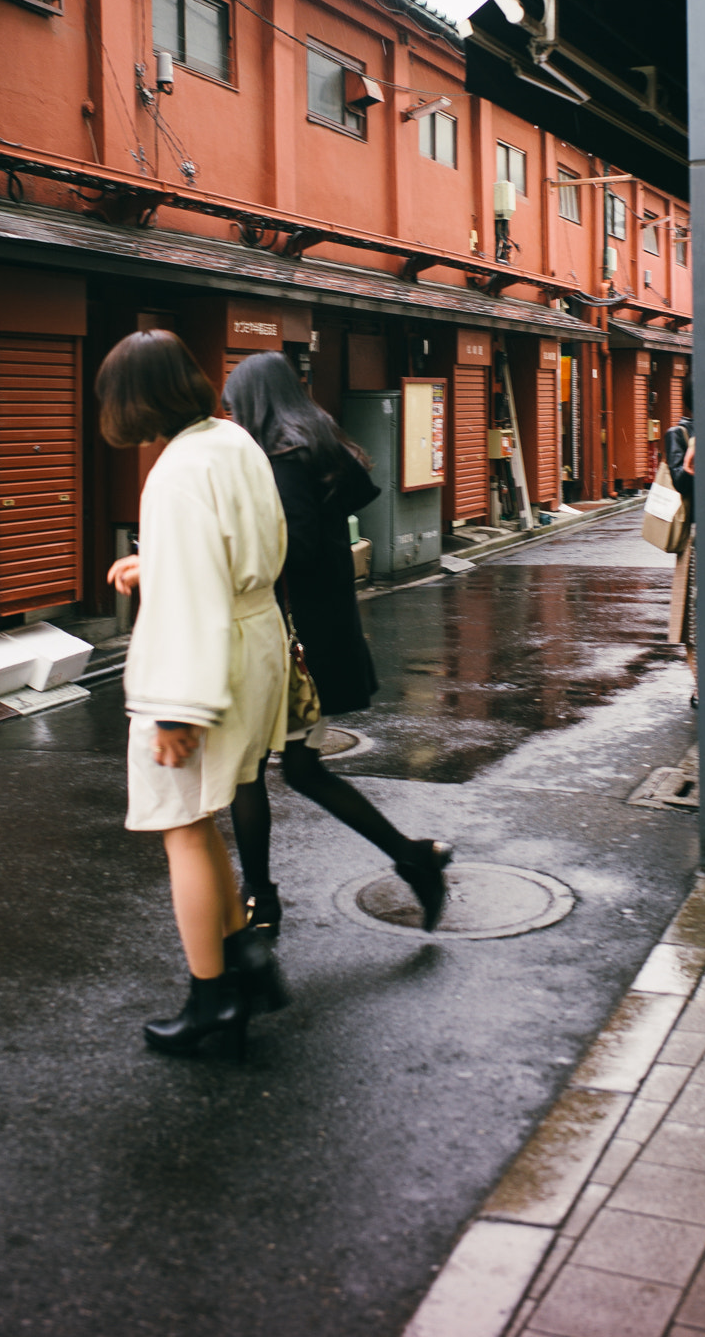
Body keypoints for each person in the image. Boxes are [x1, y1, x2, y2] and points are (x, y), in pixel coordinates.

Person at [98, 330, 289, 1059]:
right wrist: (159, 565)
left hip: (200, 665)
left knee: (178, 823)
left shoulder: (174, 472)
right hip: (251, 645)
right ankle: (245, 964)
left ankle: (211, 997)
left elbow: (195, 597)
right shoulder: (233, 442)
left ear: (132, 397)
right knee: (202, 815)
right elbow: (234, 552)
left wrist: (177, 709)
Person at [221, 352, 453, 932]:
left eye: (232, 405)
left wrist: (232, 550)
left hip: (289, 636)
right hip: (321, 629)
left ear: (253, 404)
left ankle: (262, 902)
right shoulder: (317, 446)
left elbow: (291, 548)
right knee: (299, 769)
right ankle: (413, 858)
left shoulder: (284, 459)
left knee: (247, 769)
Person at [665, 394, 696, 707]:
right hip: (695, 533)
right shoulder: (680, 434)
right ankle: (701, 685)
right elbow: (680, 482)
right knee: (692, 615)